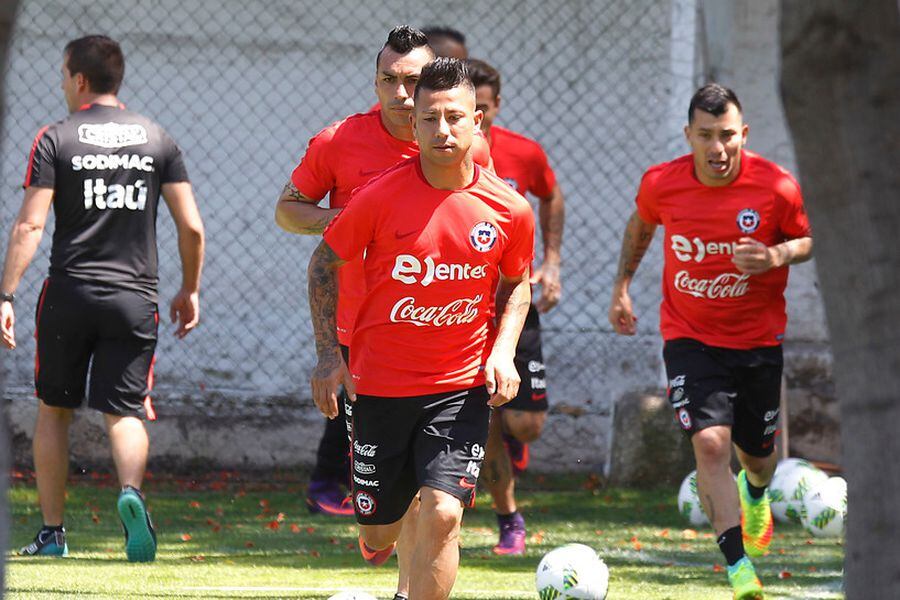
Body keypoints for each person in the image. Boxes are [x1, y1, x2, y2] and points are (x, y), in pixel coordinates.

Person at [276, 25, 491, 600]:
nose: (399, 94)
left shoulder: (463, 144)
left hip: (441, 344)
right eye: (387, 81)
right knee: (384, 521)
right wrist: (352, 223)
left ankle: (406, 592)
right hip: (362, 338)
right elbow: (288, 210)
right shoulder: (339, 141)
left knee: (436, 499)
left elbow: (487, 227)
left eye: (412, 82)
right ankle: (379, 537)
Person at [307, 58, 534, 600]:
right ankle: (380, 533)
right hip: (380, 386)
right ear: (414, 125)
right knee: (380, 531)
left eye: (454, 117)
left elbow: (517, 285)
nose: (442, 130)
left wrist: (503, 351)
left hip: (459, 387)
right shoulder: (377, 197)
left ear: (477, 120)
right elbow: (322, 264)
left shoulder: (509, 209)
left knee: (443, 512)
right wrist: (328, 356)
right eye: (429, 119)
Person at [0, 35, 204, 562]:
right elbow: (192, 227)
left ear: (80, 80)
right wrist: (190, 288)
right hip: (134, 298)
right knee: (125, 410)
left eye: (63, 76)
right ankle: (130, 492)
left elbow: (29, 225)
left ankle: (52, 534)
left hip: (68, 293)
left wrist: (6, 294)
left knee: (53, 410)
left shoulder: (56, 137)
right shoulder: (157, 138)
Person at [607, 83, 812, 600]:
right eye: (705, 136)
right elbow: (641, 226)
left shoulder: (777, 186)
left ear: (743, 134)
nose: (717, 148)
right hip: (689, 336)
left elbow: (810, 238)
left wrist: (775, 256)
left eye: (726, 136)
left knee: (758, 457)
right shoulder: (662, 183)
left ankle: (757, 493)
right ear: (688, 135)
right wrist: (622, 287)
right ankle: (738, 565)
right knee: (710, 443)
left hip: (758, 340)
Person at [466, 57, 565, 555]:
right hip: (464, 311)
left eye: (483, 109)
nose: (475, 119)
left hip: (515, 303)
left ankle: (507, 439)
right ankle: (509, 518)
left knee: (526, 424)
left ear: (496, 105)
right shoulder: (438, 161)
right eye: (468, 109)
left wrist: (551, 261)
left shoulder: (524, 153)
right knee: (488, 416)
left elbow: (552, 196)